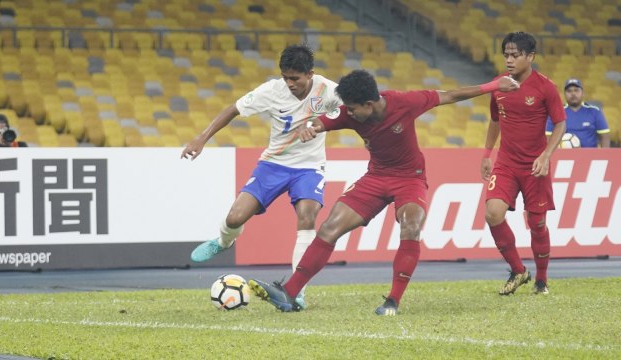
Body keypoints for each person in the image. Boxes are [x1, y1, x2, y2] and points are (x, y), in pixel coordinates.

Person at [249, 69, 519, 316]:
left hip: (410, 179)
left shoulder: (405, 102)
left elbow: (451, 95)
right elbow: (322, 122)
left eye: (353, 109)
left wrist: (495, 85)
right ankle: (289, 293)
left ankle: (392, 301)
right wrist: (311, 129)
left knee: (411, 226)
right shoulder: (350, 112)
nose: (349, 113)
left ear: (369, 104)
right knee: (330, 227)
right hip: (376, 178)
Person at [180, 44, 341, 308]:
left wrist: (322, 123)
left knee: (308, 216)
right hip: (273, 164)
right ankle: (223, 241)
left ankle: (296, 292)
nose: (289, 83)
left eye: (295, 78)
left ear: (310, 74)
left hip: (309, 167)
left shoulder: (328, 90)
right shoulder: (272, 91)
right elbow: (232, 110)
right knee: (235, 217)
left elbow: (353, 109)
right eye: (285, 77)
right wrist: (201, 138)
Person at [481, 31, 566, 297]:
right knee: (492, 213)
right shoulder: (498, 85)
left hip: (534, 166)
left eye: (515, 55)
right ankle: (518, 270)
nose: (509, 60)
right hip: (506, 163)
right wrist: (486, 153)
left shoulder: (545, 87)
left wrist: (546, 155)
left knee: (537, 224)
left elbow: (561, 124)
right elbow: (495, 120)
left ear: (530, 57)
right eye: (506, 54)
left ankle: (541, 280)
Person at [545, 78, 610, 148]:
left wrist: (605, 155)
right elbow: (548, 136)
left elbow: (605, 136)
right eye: (569, 91)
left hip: (590, 156)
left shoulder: (595, 111)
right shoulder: (556, 112)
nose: (573, 94)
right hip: (564, 156)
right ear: (564, 94)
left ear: (583, 93)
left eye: (576, 90)